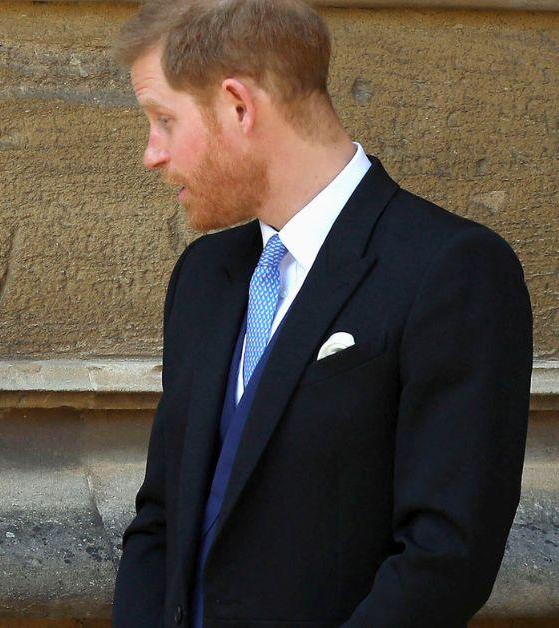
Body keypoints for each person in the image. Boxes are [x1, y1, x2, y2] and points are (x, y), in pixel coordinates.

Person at [110, 0, 533, 626]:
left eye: (163, 120)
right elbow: (163, 517)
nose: (152, 153)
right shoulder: (205, 275)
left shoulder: (451, 271)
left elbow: (444, 556)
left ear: (238, 105)